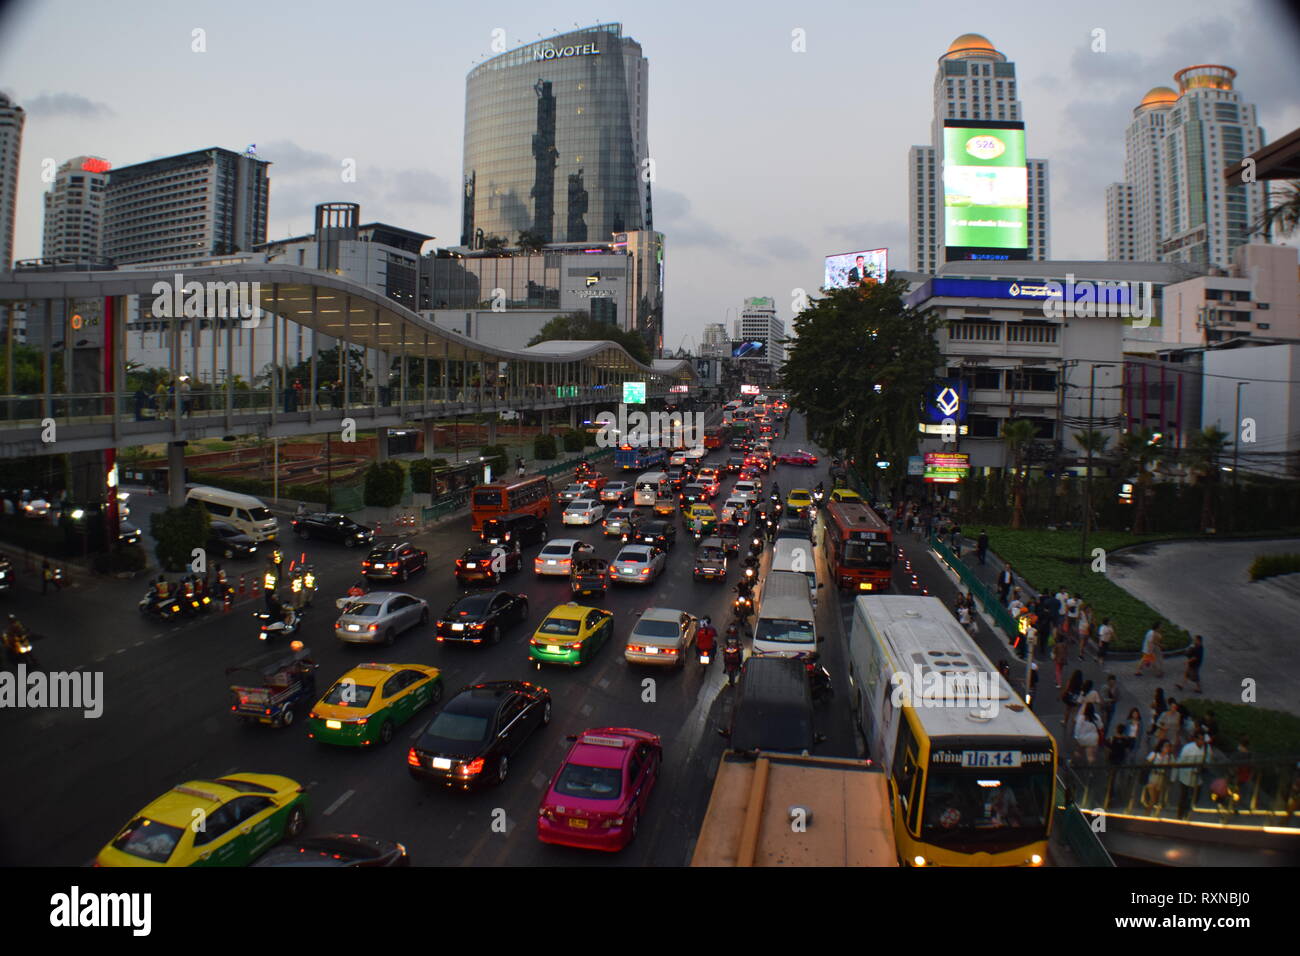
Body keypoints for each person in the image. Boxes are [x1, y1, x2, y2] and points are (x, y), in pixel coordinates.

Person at [1175, 731, 1209, 819]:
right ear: (1195, 739)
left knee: (1195, 796)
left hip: (1197, 776)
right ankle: (1180, 815)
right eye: (1200, 739)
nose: (1201, 741)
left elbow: (1207, 760)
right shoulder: (1188, 748)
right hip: (1185, 775)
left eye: (1203, 739)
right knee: (1184, 796)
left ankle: (1187, 811)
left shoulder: (1206, 748)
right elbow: (1181, 761)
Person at [1142, 740, 1176, 810]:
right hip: (1152, 776)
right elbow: (1146, 763)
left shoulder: (1169, 757)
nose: (1167, 748)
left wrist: (1172, 778)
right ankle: (1147, 812)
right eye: (1165, 746)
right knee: (1152, 797)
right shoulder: (1154, 754)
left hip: (1161, 778)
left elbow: (1174, 767)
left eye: (1168, 746)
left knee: (1156, 798)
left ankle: (1149, 811)